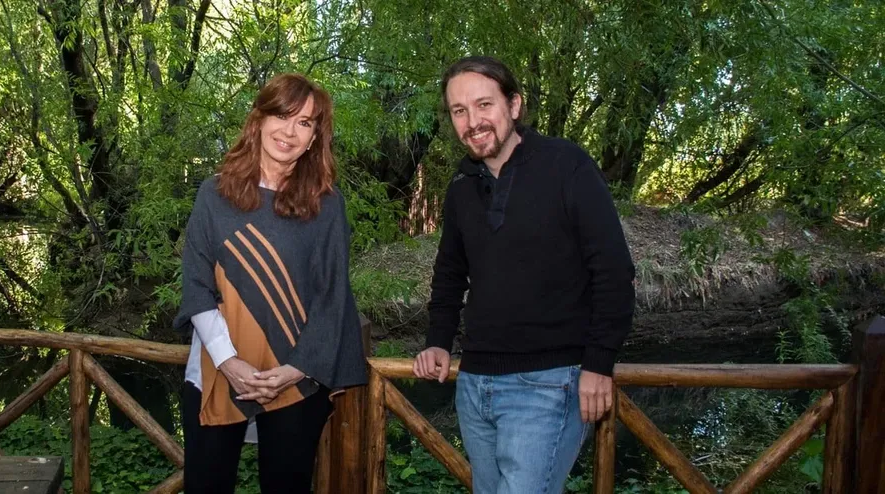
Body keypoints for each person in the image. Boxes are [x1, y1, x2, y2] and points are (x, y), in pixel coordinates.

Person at [413, 56, 636, 493]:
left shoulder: (566, 165)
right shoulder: (461, 186)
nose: (472, 121)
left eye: (483, 105)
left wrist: (599, 362)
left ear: (513, 105)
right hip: (475, 384)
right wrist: (438, 339)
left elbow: (613, 271)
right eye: (459, 111)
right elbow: (450, 273)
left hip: (549, 384)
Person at [174, 73, 367, 494]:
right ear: (259, 120)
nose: (290, 131)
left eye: (305, 123)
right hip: (216, 373)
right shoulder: (214, 194)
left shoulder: (327, 204)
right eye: (282, 116)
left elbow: (332, 297)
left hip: (297, 377)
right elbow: (196, 284)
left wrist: (292, 370)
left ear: (316, 137)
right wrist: (229, 362)